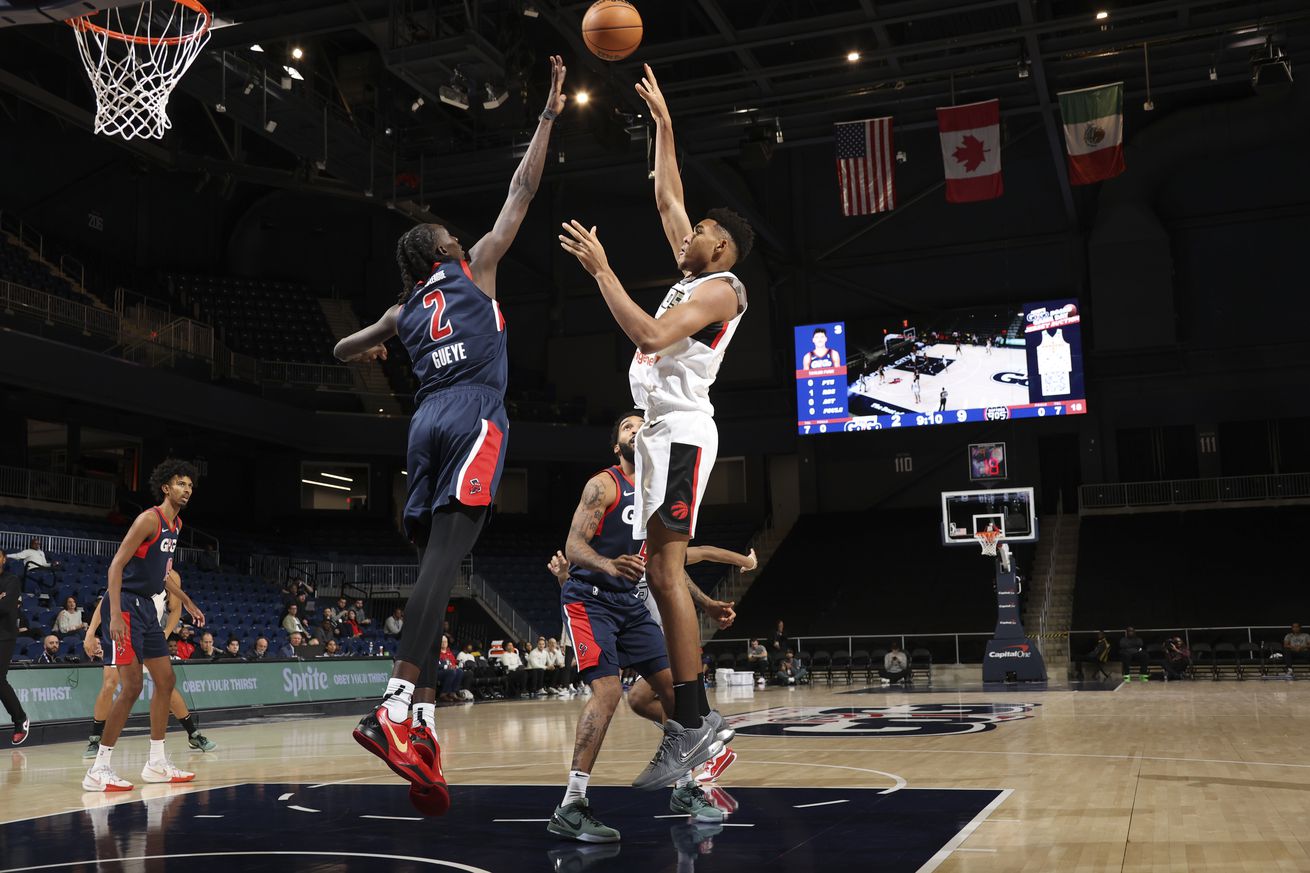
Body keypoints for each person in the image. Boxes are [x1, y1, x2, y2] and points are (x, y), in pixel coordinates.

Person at [331, 55, 568, 819]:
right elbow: (521, 191)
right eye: (444, 232)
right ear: (439, 252)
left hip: (423, 427)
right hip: (470, 415)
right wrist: (548, 117)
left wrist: (373, 346)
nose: (454, 231)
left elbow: (340, 351)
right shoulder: (479, 269)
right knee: (443, 564)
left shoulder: (403, 314)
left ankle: (424, 721)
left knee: (443, 566)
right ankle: (396, 703)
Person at [559, 64, 754, 792]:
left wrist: (603, 270)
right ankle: (692, 725)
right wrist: (665, 126)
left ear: (722, 251)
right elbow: (667, 193)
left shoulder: (720, 290)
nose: (687, 232)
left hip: (678, 434)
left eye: (701, 232)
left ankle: (695, 724)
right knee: (663, 569)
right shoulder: (691, 270)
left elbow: (643, 326)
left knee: (667, 571)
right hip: (658, 442)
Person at [544, 413, 742, 842]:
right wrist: (608, 562)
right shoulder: (605, 484)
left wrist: (706, 603)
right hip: (589, 601)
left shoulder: (657, 496)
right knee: (609, 691)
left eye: (640, 425)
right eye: (627, 428)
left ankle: (685, 788)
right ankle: (571, 804)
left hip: (630, 606)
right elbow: (574, 546)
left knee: (677, 689)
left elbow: (666, 566)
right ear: (617, 446)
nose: (636, 430)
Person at [82, 458, 199, 792]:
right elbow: (116, 566)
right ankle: (98, 769)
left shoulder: (176, 526)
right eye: (180, 483)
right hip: (127, 607)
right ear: (166, 487)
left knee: (166, 680)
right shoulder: (150, 519)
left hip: (148, 607)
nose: (186, 489)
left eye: (189, 485)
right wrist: (114, 614)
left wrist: (185, 598)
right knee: (131, 687)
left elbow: (160, 573)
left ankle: (157, 763)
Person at [82, 568, 214, 759]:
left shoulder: (172, 575)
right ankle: (95, 740)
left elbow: (175, 610)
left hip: (150, 630)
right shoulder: (135, 565)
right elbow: (108, 598)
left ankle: (193, 734)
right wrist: (91, 632)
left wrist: (165, 633)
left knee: (166, 684)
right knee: (111, 683)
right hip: (126, 627)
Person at [0, 548, 30, 745]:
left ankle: (20, 720)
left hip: (4, 635)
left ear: (3, 559)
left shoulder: (12, 580)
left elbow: (4, 607)